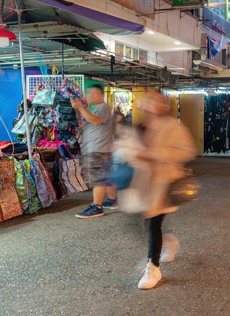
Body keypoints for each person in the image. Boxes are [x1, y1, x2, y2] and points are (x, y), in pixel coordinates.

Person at [117, 89, 197, 290]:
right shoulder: (140, 125)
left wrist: (154, 153)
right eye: (152, 100)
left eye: (161, 101)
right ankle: (167, 241)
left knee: (153, 223)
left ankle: (153, 267)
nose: (156, 104)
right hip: (141, 182)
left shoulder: (172, 126)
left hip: (163, 181)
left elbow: (188, 151)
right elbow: (131, 149)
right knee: (137, 221)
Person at [72, 84, 118, 219]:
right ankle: (112, 200)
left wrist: (80, 107)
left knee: (98, 178)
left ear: (102, 95)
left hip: (98, 149)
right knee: (106, 177)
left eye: (94, 93)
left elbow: (96, 121)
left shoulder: (103, 107)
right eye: (89, 94)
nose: (90, 96)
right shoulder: (96, 108)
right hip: (102, 148)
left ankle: (97, 207)